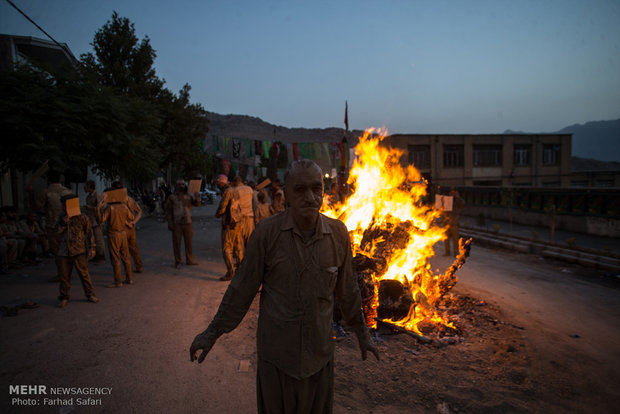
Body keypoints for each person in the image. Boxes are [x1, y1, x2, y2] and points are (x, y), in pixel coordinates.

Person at [190, 159, 379, 413]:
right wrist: (211, 333)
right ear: (286, 193)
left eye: (316, 188)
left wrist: (363, 335)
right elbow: (241, 291)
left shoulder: (338, 234)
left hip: (319, 358)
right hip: (277, 361)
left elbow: (348, 292)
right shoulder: (266, 234)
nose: (310, 197)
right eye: (300, 189)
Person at [26, 170, 74, 282]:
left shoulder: (46, 192)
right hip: (69, 225)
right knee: (68, 250)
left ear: (48, 180)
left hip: (54, 226)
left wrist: (30, 193)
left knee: (58, 251)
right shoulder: (68, 191)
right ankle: (67, 273)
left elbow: (35, 207)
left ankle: (62, 274)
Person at [56, 195, 99, 308]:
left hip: (79, 250)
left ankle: (90, 294)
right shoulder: (61, 218)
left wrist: (92, 247)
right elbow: (56, 233)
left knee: (84, 274)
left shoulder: (82, 217)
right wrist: (63, 223)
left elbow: (89, 233)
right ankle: (64, 296)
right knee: (64, 276)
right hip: (64, 251)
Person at [98, 189, 134, 287]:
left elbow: (101, 220)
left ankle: (118, 281)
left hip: (113, 234)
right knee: (126, 257)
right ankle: (129, 278)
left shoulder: (110, 208)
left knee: (115, 258)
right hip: (123, 233)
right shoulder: (124, 207)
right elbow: (131, 217)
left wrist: (99, 208)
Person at [165, 179, 200, 269]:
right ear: (176, 186)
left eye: (183, 184)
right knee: (177, 243)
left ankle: (190, 260)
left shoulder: (189, 195)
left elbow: (197, 204)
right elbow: (168, 212)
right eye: (179, 184)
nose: (181, 186)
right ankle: (178, 261)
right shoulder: (172, 197)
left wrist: (196, 197)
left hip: (188, 222)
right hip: (177, 223)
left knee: (189, 243)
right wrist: (170, 223)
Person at [215, 174, 242, 281]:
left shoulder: (227, 191)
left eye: (218, 183)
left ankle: (231, 272)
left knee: (227, 248)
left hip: (229, 223)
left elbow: (223, 206)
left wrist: (218, 214)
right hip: (237, 222)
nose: (217, 185)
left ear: (222, 183)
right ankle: (241, 271)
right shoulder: (235, 190)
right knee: (238, 247)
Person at [112, 181, 143, 273]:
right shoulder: (130, 199)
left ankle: (127, 273)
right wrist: (133, 222)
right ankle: (139, 267)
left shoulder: (115, 202)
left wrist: (129, 222)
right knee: (133, 248)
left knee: (123, 251)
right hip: (131, 228)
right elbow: (140, 212)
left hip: (121, 228)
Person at [84, 180, 106, 263]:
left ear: (89, 187)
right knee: (91, 239)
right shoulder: (88, 197)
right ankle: (94, 255)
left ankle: (101, 256)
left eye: (86, 187)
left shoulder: (97, 195)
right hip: (90, 220)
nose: (84, 188)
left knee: (98, 239)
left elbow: (100, 208)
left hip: (97, 221)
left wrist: (90, 208)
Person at [231, 176, 255, 249]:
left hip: (240, 218)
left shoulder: (235, 190)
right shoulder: (250, 189)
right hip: (250, 217)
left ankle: (242, 259)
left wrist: (233, 219)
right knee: (250, 240)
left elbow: (233, 207)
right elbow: (253, 203)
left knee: (240, 242)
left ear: (235, 182)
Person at [443, 190, 466, 257]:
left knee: (455, 239)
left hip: (454, 223)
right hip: (446, 223)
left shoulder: (457, 201)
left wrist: (458, 197)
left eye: (453, 193)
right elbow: (440, 208)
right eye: (451, 193)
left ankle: (455, 252)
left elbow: (463, 205)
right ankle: (447, 252)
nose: (452, 194)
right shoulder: (446, 200)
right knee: (446, 239)